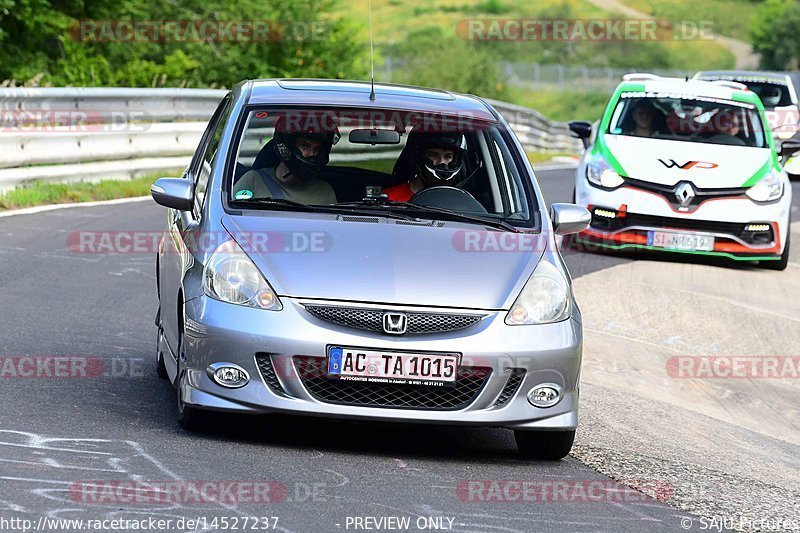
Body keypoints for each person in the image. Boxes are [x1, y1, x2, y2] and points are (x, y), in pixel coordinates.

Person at [233, 116, 339, 204]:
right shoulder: (253, 180)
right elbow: (229, 216)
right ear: (287, 146)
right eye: (304, 146)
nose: (312, 154)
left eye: (316, 149)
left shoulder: (324, 191)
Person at [384, 129, 465, 203]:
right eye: (433, 155)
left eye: (448, 156)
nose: (442, 162)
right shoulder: (389, 198)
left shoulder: (464, 202)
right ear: (419, 156)